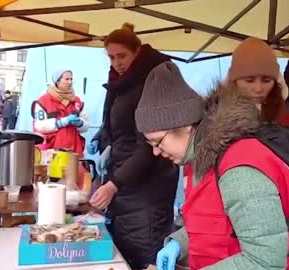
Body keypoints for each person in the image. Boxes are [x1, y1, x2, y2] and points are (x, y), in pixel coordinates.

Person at [134, 62, 289, 270]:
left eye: (158, 141)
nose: (155, 151)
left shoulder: (239, 169)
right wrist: (178, 243)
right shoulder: (197, 160)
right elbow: (215, 222)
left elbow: (265, 260)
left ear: (186, 126)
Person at [87, 23, 179, 269]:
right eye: (111, 57)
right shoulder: (121, 82)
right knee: (125, 253)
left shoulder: (153, 83)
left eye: (122, 56)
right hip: (126, 186)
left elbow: (147, 147)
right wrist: (102, 139)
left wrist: (114, 184)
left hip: (147, 190)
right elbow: (117, 124)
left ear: (138, 50)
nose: (117, 62)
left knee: (144, 255)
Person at [227, 37, 289, 125]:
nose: (258, 88)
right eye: (249, 81)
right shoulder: (216, 120)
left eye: (266, 80)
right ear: (234, 81)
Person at [32, 69, 88, 156]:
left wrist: (80, 123)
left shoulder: (77, 101)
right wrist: (59, 123)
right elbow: (38, 125)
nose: (70, 82)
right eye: (67, 79)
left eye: (71, 79)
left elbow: (86, 125)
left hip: (75, 149)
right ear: (57, 81)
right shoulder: (43, 101)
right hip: (51, 151)